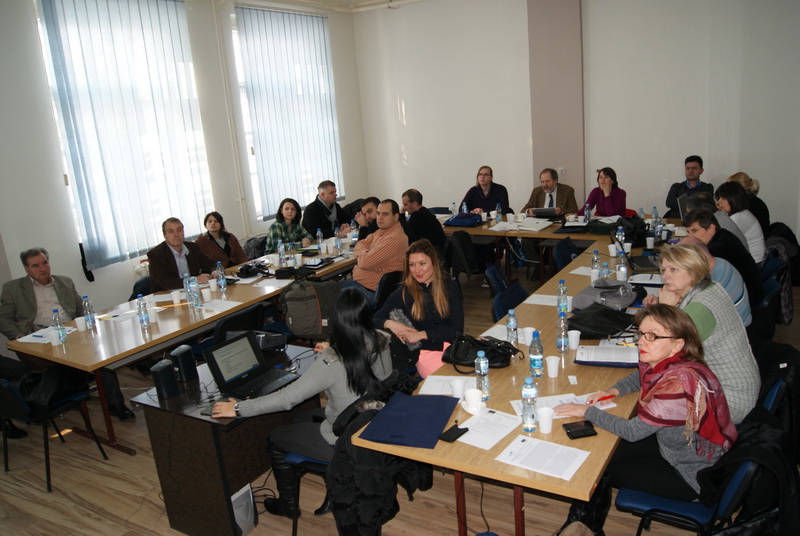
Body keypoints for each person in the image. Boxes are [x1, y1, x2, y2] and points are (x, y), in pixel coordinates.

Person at [553, 305, 737, 536]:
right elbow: (640, 376)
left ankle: (583, 529)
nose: (641, 341)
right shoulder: (676, 363)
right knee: (603, 450)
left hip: (690, 474)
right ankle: (581, 526)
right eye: (641, 334)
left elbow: (632, 432)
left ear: (677, 344)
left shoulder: (677, 385)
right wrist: (614, 390)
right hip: (678, 448)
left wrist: (587, 411)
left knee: (599, 465)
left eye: (652, 336)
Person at [211, 289, 393, 518]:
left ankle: (287, 505)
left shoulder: (331, 362)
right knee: (300, 418)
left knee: (277, 437)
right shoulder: (380, 341)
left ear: (336, 319)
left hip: (345, 442)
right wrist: (331, 349)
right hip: (370, 425)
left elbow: (287, 399)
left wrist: (239, 408)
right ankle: (335, 488)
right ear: (366, 315)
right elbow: (366, 364)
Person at [0, 248, 133, 421]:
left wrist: (90, 323)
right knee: (78, 360)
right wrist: (18, 336)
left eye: (44, 263)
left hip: (72, 331)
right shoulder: (13, 288)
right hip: (39, 338)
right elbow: (3, 318)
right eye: (35, 266)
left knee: (102, 357)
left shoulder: (64, 281)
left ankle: (115, 405)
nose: (42, 269)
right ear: (27, 269)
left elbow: (80, 308)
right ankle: (69, 392)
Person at [641, 242, 759, 424]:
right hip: (732, 385)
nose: (665, 276)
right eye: (663, 270)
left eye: (673, 270)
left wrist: (665, 309)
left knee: (648, 405)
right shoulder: (709, 288)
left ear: (693, 270)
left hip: (730, 400)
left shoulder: (698, 311)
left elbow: (660, 356)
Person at [374, 239, 464, 378]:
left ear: (433, 262)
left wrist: (421, 334)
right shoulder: (404, 292)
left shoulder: (449, 286)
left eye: (422, 264)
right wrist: (390, 323)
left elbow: (456, 330)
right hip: (425, 352)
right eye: (412, 265)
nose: (417, 270)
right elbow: (373, 319)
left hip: (454, 347)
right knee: (451, 381)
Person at [683, 209, 763, 308]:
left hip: (744, 302)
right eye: (688, 232)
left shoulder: (716, 250)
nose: (690, 236)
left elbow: (697, 281)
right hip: (751, 293)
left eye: (694, 231)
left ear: (711, 228)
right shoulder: (724, 235)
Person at [340, 199, 409, 306]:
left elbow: (364, 263)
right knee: (327, 290)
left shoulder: (394, 239)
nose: (380, 218)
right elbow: (360, 244)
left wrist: (365, 255)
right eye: (378, 213)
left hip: (371, 293)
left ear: (395, 217)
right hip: (360, 285)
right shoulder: (381, 231)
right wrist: (366, 253)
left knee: (327, 296)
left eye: (385, 214)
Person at [680, 236, 751, 327]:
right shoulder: (719, 262)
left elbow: (688, 321)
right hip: (741, 319)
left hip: (737, 327)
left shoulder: (713, 281)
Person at [147, 217, 216, 292]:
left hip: (193, 292)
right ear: (164, 235)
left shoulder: (193, 248)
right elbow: (163, 282)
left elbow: (211, 264)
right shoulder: (156, 254)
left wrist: (215, 272)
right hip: (167, 295)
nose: (176, 234)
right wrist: (194, 280)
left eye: (179, 230)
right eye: (171, 231)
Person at [715, 181, 766, 263]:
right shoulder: (742, 213)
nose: (718, 202)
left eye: (723, 199)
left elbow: (719, 240)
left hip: (754, 262)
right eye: (719, 198)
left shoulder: (738, 217)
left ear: (733, 199)